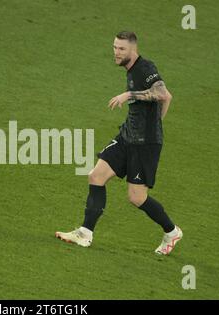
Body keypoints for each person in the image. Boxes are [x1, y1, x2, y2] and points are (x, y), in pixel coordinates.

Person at [55, 31, 182, 255]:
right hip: (127, 136)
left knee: (136, 198)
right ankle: (85, 234)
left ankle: (171, 232)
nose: (116, 52)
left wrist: (130, 97)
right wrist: (152, 121)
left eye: (121, 49)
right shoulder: (131, 70)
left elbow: (163, 94)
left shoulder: (145, 68)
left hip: (145, 145)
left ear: (133, 50)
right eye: (114, 47)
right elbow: (166, 98)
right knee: (96, 175)